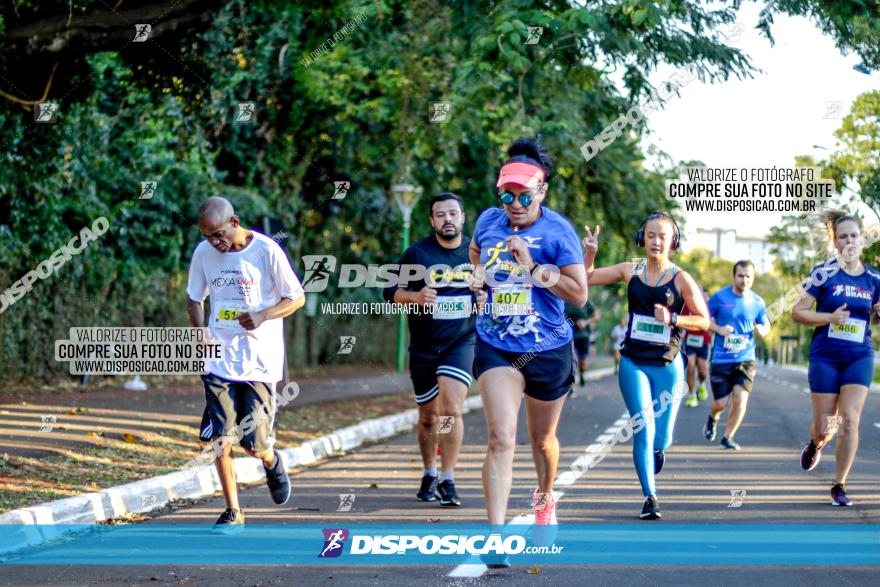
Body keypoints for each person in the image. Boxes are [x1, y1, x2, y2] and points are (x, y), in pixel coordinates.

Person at [469, 137, 587, 566]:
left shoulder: (558, 232)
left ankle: (544, 496)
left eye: (523, 195)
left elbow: (578, 294)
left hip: (548, 346)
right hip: (496, 343)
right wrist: (478, 281)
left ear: (541, 192)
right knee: (501, 437)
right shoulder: (488, 221)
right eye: (506, 194)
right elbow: (476, 252)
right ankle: (496, 538)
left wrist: (533, 269)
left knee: (543, 440)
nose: (513, 203)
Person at [187, 197, 305, 530]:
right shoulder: (204, 253)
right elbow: (195, 298)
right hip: (219, 359)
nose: (214, 242)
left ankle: (271, 459)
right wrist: (200, 333)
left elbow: (296, 297)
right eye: (208, 236)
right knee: (220, 438)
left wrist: (263, 314)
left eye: (219, 234)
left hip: (260, 361)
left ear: (235, 222)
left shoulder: (266, 251)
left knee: (254, 443)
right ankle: (233, 511)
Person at [583, 211, 709, 520]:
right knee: (643, 426)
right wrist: (589, 253)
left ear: (672, 242)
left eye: (662, 237)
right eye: (650, 235)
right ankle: (650, 496)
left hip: (667, 364)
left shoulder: (681, 278)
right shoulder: (631, 270)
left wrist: (674, 318)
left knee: (661, 438)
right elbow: (587, 278)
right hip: (633, 362)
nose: (655, 241)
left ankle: (658, 451)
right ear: (642, 239)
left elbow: (704, 320)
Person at [383, 192, 482, 507]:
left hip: (461, 342)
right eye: (440, 215)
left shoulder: (477, 254)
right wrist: (415, 298)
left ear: (463, 217)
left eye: (453, 213)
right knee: (428, 416)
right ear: (432, 220)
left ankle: (448, 478)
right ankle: (429, 471)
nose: (447, 219)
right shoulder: (417, 254)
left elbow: (495, 291)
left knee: (451, 409)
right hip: (424, 346)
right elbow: (390, 291)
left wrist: (484, 298)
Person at [792, 211, 880, 506]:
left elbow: (876, 316)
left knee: (851, 420)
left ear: (862, 239)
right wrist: (830, 317)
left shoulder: (874, 278)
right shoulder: (823, 273)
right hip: (825, 357)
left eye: (854, 235)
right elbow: (798, 312)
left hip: (859, 355)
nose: (850, 241)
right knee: (825, 427)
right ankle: (816, 444)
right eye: (843, 236)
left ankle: (839, 485)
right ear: (835, 242)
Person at [703, 260, 771, 450]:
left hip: (745, 359)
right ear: (734, 276)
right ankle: (713, 417)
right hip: (721, 359)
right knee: (721, 403)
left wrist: (762, 330)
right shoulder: (718, 298)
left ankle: (728, 436)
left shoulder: (757, 302)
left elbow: (766, 324)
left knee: (740, 398)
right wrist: (719, 329)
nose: (744, 280)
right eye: (740, 276)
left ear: (753, 278)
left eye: (748, 276)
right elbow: (704, 321)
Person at [683, 288, 712, 408]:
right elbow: (682, 319)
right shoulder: (688, 305)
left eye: (705, 297)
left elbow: (712, 324)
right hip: (689, 341)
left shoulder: (710, 308)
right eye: (701, 296)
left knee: (702, 369)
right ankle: (692, 395)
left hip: (704, 342)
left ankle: (701, 383)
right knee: (690, 367)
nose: (703, 298)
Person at [566, 301, 599, 387]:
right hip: (571, 336)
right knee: (572, 360)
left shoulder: (586, 301)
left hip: (584, 335)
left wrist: (585, 322)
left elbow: (596, 316)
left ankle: (582, 374)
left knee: (582, 360)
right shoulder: (565, 301)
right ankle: (572, 387)